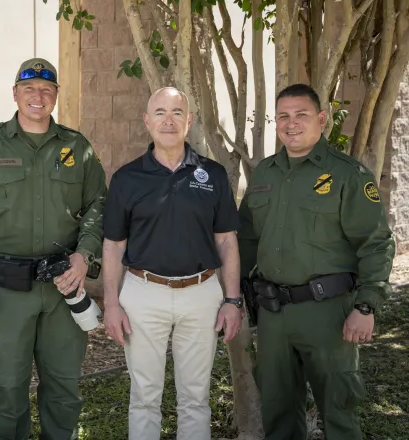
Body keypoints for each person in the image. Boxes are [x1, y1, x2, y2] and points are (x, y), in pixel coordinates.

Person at [0, 57, 106, 440]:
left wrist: (84, 255)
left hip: (63, 290)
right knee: (8, 392)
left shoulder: (76, 146)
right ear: (15, 93)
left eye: (47, 90)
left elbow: (99, 205)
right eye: (30, 89)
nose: (38, 96)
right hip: (7, 292)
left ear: (55, 96)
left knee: (64, 390)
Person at [237, 84, 395, 440]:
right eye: (283, 117)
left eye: (301, 115)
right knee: (277, 413)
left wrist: (366, 306)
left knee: (338, 413)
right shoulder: (264, 174)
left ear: (322, 120)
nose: (291, 124)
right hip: (273, 314)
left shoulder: (347, 175)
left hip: (328, 314)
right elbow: (246, 239)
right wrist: (236, 296)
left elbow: (375, 244)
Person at [101, 87, 243, 440]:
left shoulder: (211, 174)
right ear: (147, 122)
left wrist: (232, 300)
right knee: (144, 397)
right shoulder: (126, 179)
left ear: (189, 121)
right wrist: (111, 303)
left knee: (196, 398)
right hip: (143, 293)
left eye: (177, 112)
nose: (169, 120)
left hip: (202, 294)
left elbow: (226, 240)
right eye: (160, 112)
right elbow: (114, 246)